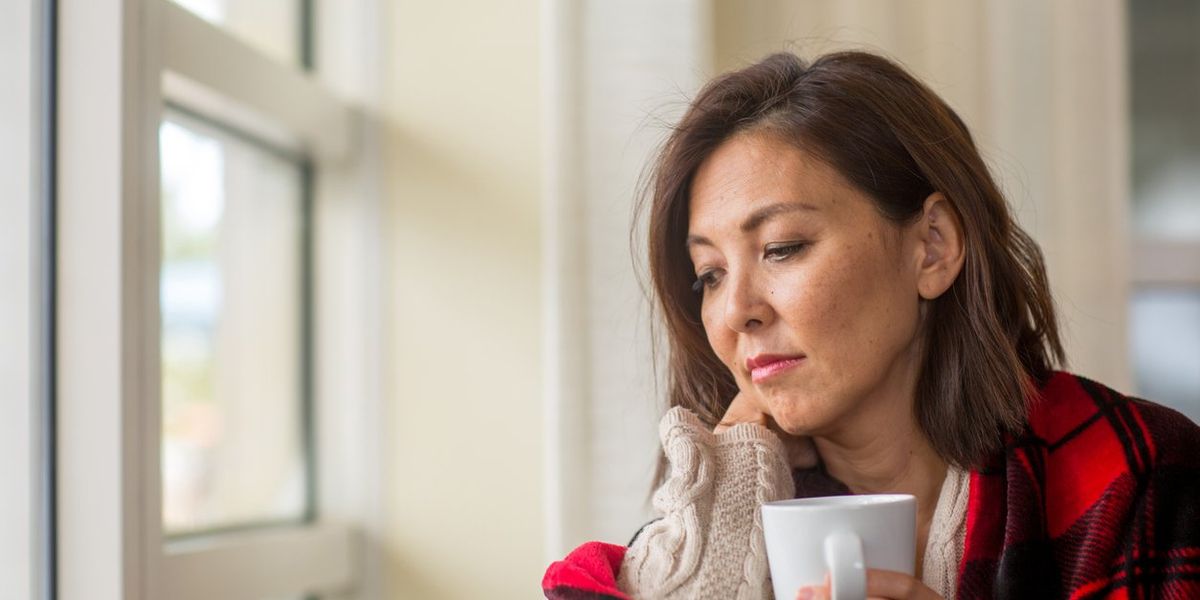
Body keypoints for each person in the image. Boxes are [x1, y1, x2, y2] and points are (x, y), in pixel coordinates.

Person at [541, 51, 1200, 599]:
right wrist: (728, 498)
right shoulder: (713, 509)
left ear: (933, 247)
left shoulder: (1137, 477)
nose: (737, 309)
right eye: (708, 275)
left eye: (780, 248)